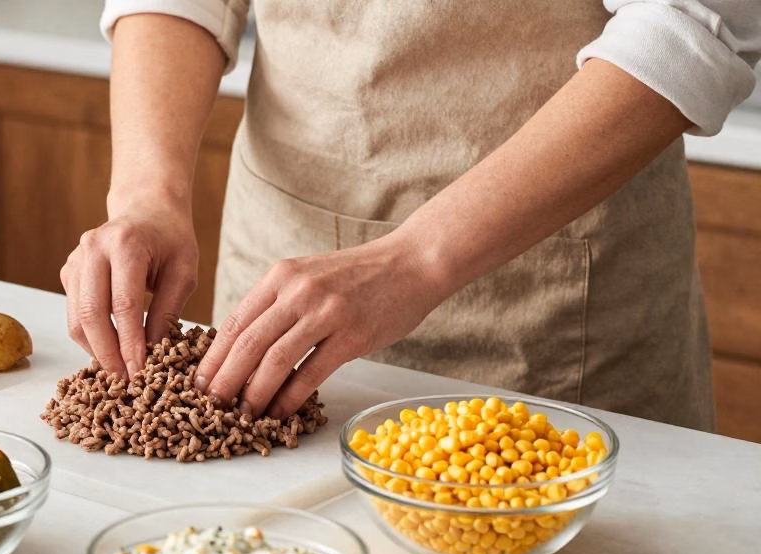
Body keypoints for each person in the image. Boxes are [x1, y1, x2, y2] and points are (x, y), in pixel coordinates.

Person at [59, 1, 760, 430]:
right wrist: (148, 193)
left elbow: (689, 25)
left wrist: (419, 256)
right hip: (275, 253)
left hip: (555, 305)